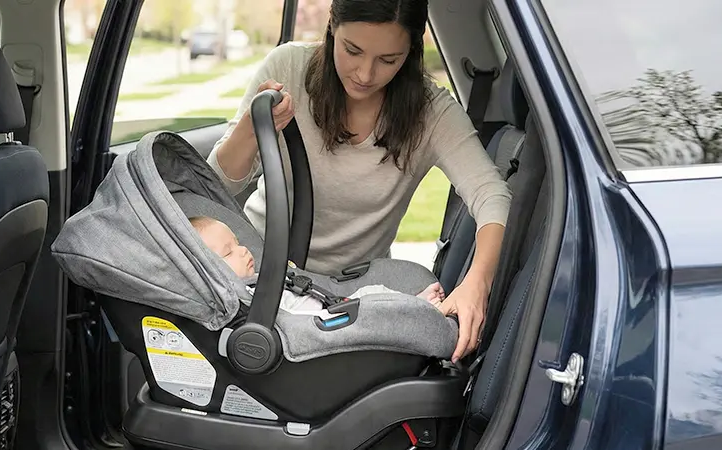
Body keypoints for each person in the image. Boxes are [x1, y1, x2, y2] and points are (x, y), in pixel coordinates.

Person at [206, 0, 511, 363]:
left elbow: (493, 196)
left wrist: (477, 283)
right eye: (352, 50)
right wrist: (253, 128)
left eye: (388, 59)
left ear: (412, 51)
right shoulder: (287, 67)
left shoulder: (432, 113)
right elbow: (217, 185)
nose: (365, 74)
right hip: (254, 270)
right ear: (332, 26)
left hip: (353, 294)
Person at [189, 216, 446, 318]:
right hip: (320, 324)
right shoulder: (247, 301)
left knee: (374, 291)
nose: (243, 250)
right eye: (228, 252)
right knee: (373, 303)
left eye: (238, 243)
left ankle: (417, 305)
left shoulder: (253, 282)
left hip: (327, 307)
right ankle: (421, 310)